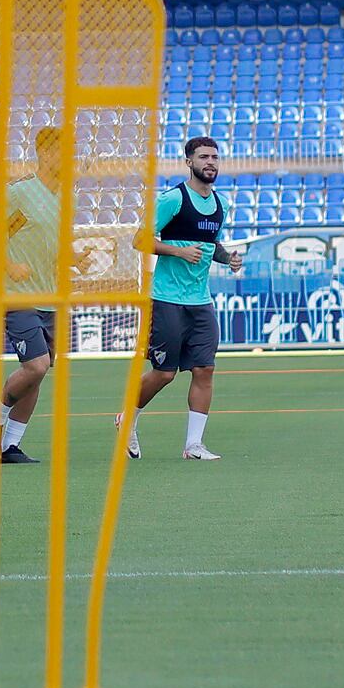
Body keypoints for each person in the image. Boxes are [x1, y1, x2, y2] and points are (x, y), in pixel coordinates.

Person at [0, 127, 88, 464]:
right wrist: (9, 265)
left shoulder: (68, 197)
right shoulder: (19, 194)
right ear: (45, 154)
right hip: (16, 295)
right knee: (36, 366)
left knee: (39, 371)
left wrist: (72, 258)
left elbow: (54, 246)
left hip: (52, 298)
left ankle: (10, 446)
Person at [122, 136, 241, 460]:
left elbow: (209, 245)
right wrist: (177, 250)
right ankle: (128, 419)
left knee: (204, 370)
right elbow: (140, 240)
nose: (211, 162)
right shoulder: (173, 199)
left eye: (215, 157)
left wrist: (227, 257)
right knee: (164, 373)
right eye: (203, 157)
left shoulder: (221, 205)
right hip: (167, 298)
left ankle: (193, 445)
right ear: (189, 162)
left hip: (200, 301)